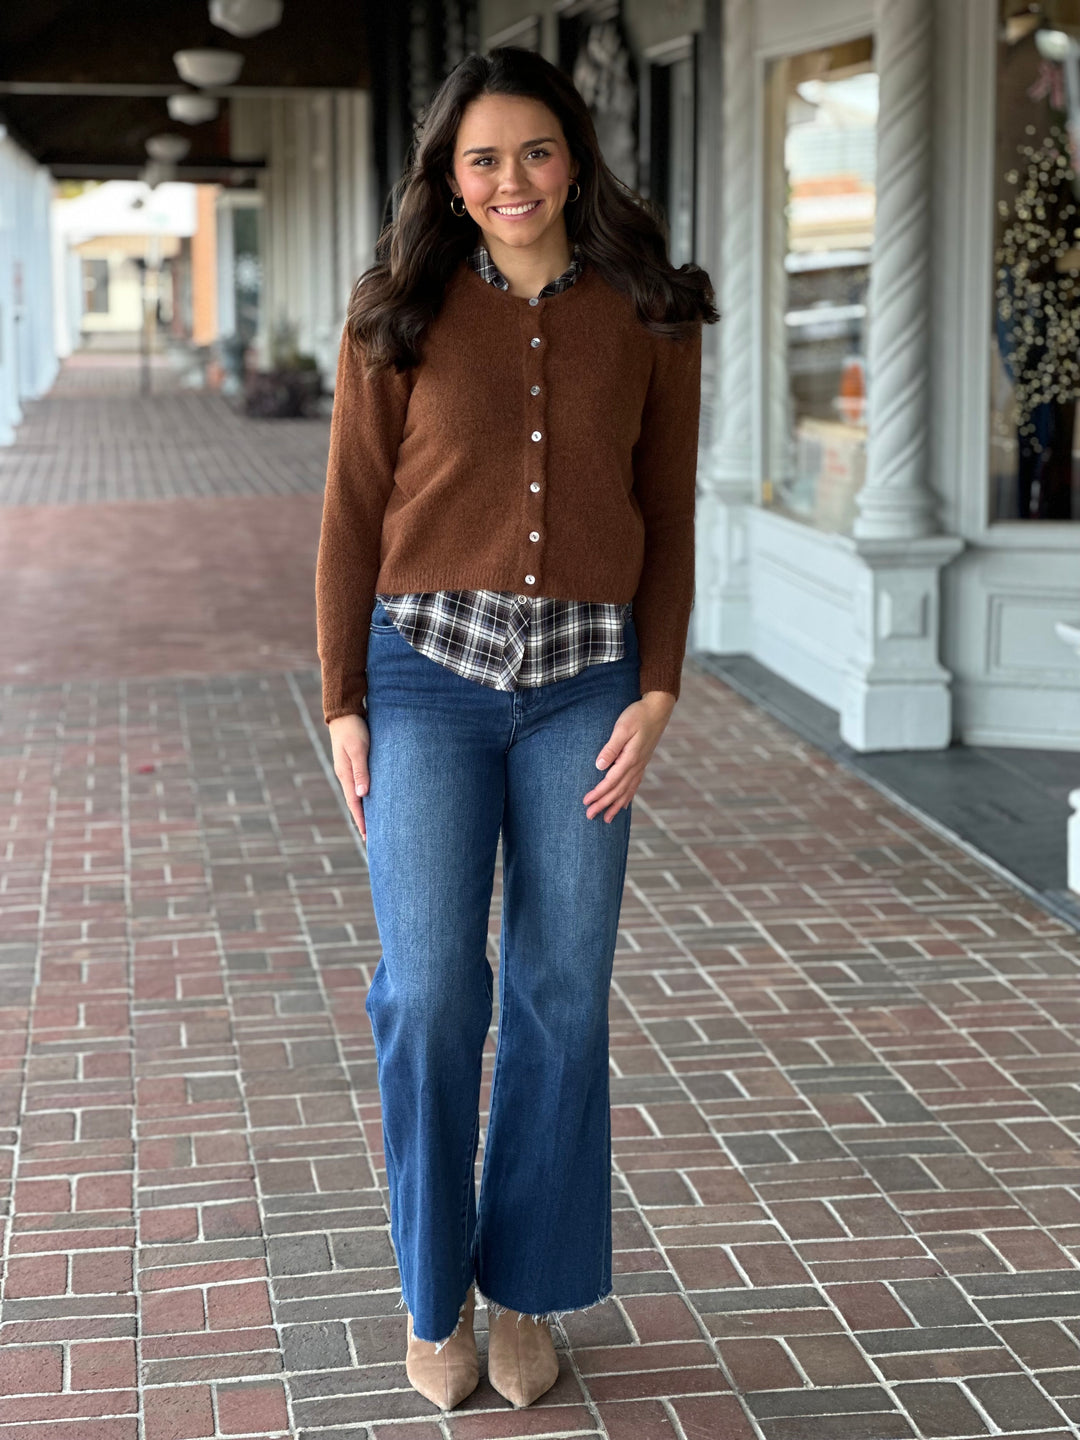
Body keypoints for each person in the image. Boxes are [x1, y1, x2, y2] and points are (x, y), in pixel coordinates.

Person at [315, 45, 717, 1413]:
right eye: (480, 159)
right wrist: (342, 703)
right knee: (430, 991)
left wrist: (657, 686)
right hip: (424, 678)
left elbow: (667, 512)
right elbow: (350, 520)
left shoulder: (649, 313)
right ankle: (436, 1297)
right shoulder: (400, 310)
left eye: (534, 153)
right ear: (449, 173)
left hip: (585, 693)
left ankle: (530, 1290)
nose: (510, 182)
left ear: (577, 156)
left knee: (560, 994)